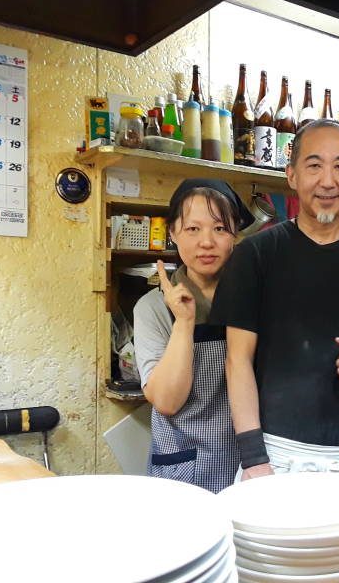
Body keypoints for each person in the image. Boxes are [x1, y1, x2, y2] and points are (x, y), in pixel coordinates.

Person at [210, 119, 339, 480]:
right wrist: (253, 457)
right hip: (278, 454)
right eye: (314, 165)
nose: (328, 181)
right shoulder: (257, 255)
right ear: (291, 175)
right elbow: (237, 361)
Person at [133, 178, 254, 493]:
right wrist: (184, 323)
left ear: (234, 236)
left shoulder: (254, 300)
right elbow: (166, 401)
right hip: (183, 470)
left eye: (219, 229)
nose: (206, 242)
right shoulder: (153, 308)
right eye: (192, 229)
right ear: (172, 233)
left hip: (250, 464)